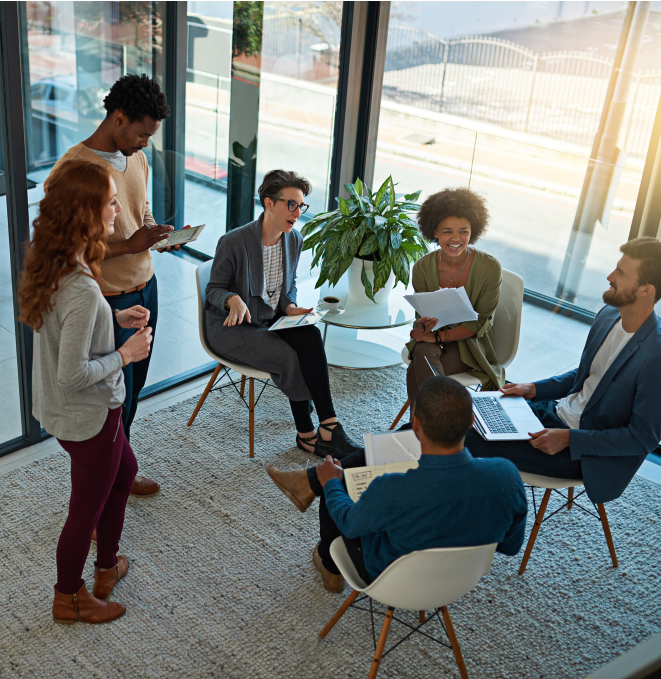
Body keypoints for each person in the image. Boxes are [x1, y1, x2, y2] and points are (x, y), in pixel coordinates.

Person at [19, 159, 153, 624]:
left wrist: (113, 320)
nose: (118, 209)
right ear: (87, 212)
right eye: (111, 202)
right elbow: (72, 374)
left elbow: (64, 332)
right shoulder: (79, 287)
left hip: (74, 413)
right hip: (88, 414)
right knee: (85, 512)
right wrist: (127, 353)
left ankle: (107, 566)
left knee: (125, 473)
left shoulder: (55, 258)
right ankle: (68, 596)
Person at [45, 73, 181, 497]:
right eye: (142, 134)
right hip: (104, 300)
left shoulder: (135, 157)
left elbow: (140, 211)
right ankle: (95, 491)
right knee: (101, 408)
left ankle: (122, 467)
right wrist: (127, 246)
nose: (146, 144)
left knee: (132, 390)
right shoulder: (73, 169)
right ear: (118, 119)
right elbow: (66, 250)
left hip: (146, 290)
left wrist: (154, 231)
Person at [267, 377, 528, 590]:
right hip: (460, 580)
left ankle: (330, 566)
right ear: (472, 422)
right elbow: (510, 545)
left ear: (415, 427)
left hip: (390, 579)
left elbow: (348, 522)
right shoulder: (507, 476)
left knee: (337, 484)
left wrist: (333, 484)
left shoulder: (390, 489)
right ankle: (308, 483)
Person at [465, 237, 661, 505]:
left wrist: (569, 439)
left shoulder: (655, 356)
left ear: (645, 290)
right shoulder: (608, 315)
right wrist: (534, 389)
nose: (609, 276)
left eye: (622, 273)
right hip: (554, 415)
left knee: (458, 437)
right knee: (453, 411)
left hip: (583, 454)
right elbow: (588, 374)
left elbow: (641, 438)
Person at [205, 169, 359, 457]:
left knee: (310, 334)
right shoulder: (234, 242)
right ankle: (306, 433)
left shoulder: (293, 239)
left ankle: (329, 423)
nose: (297, 212)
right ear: (268, 203)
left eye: (301, 206)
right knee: (288, 356)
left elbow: (288, 287)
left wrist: (290, 307)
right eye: (291, 204)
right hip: (233, 326)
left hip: (270, 317)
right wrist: (233, 299)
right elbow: (213, 290)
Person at [405, 187, 504, 418]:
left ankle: (420, 425)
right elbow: (423, 315)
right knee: (423, 354)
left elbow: (480, 324)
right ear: (435, 232)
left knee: (418, 367)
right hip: (434, 337)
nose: (456, 238)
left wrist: (438, 337)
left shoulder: (490, 267)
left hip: (470, 345)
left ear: (474, 231)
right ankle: (440, 424)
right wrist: (424, 327)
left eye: (464, 231)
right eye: (447, 231)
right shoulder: (422, 267)